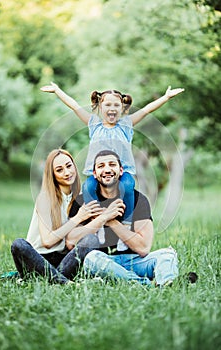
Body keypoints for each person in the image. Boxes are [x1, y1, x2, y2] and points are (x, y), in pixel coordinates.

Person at [40, 83, 184, 227]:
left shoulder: (126, 124)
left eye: (116, 105)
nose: (112, 109)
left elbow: (146, 110)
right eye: (107, 105)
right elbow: (75, 106)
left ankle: (126, 223)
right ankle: (96, 221)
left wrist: (165, 97)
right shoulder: (94, 124)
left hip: (123, 173)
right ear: (100, 107)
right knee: (88, 188)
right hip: (98, 174)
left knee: (128, 185)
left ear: (122, 108)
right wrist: (57, 91)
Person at [67, 150, 179, 287]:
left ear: (120, 171)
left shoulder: (138, 200)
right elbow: (70, 242)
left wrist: (112, 221)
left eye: (112, 164)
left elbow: (143, 248)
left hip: (134, 261)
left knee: (167, 254)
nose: (107, 169)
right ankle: (145, 285)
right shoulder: (83, 201)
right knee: (91, 259)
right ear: (94, 174)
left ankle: (166, 283)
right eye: (101, 166)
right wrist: (103, 217)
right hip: (102, 262)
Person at [11, 149, 103, 285]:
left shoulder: (80, 197)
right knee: (19, 244)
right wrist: (77, 218)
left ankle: (57, 279)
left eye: (69, 166)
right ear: (52, 175)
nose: (67, 172)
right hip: (37, 259)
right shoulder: (45, 198)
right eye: (59, 170)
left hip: (63, 261)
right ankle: (65, 282)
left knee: (91, 240)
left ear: (74, 166)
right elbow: (48, 241)